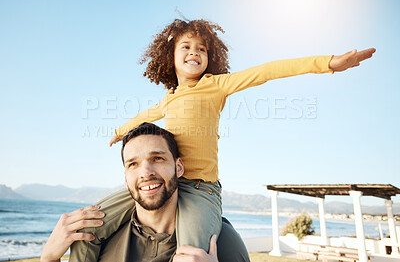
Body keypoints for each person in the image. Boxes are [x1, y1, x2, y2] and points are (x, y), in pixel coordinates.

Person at [82, 19, 376, 259]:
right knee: (86, 224)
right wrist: (120, 131)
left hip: (199, 190)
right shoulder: (168, 99)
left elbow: (266, 72)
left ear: (211, 58)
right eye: (185, 46)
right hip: (164, 181)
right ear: (170, 57)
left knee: (189, 255)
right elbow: (145, 116)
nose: (194, 52)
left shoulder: (216, 85)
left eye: (202, 49)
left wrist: (328, 63)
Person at [41, 123, 250, 262]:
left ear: (178, 168)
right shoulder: (99, 239)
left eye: (157, 159)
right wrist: (49, 258)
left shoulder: (220, 241)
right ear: (125, 178)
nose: (146, 173)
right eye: (133, 164)